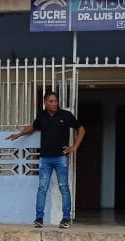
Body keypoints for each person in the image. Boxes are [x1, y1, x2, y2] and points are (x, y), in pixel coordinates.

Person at [7, 91, 85, 229]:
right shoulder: (41, 116)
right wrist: (18, 134)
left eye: (55, 101)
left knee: (64, 188)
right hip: (45, 159)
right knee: (42, 188)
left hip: (61, 158)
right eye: (51, 101)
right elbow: (33, 127)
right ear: (45, 103)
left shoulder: (66, 115)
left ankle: (66, 218)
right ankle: (39, 219)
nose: (54, 103)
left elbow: (81, 129)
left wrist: (74, 147)